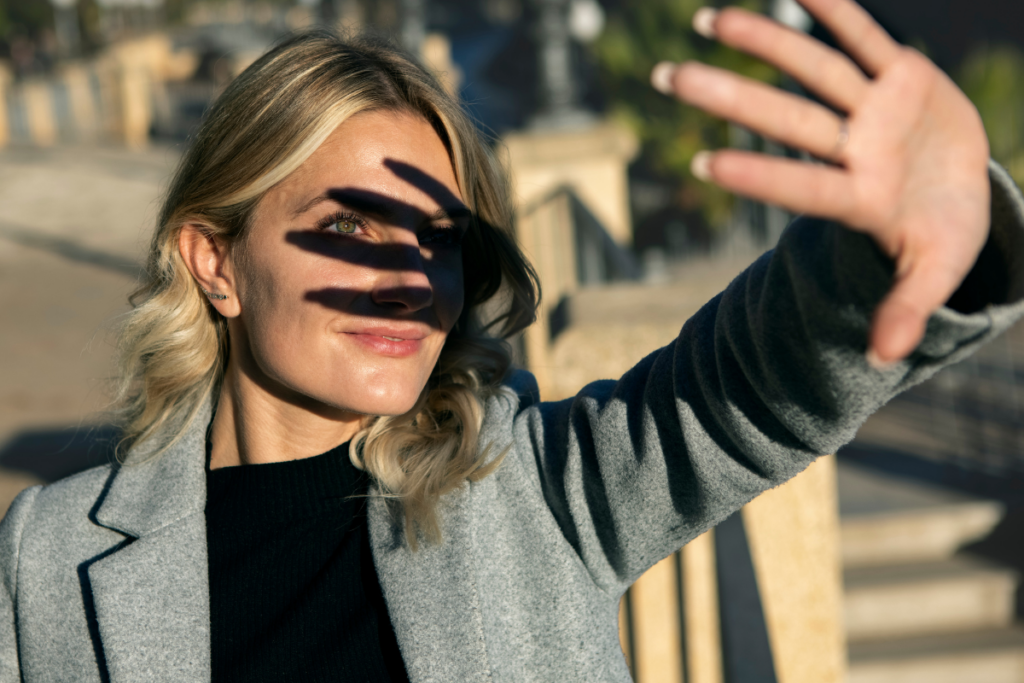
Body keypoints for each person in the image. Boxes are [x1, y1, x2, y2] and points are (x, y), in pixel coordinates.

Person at [2, 0, 1023, 680]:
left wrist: (907, 239)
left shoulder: (530, 486)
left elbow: (746, 390)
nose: (406, 274)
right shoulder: (47, 561)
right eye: (349, 226)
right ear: (214, 260)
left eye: (438, 238)